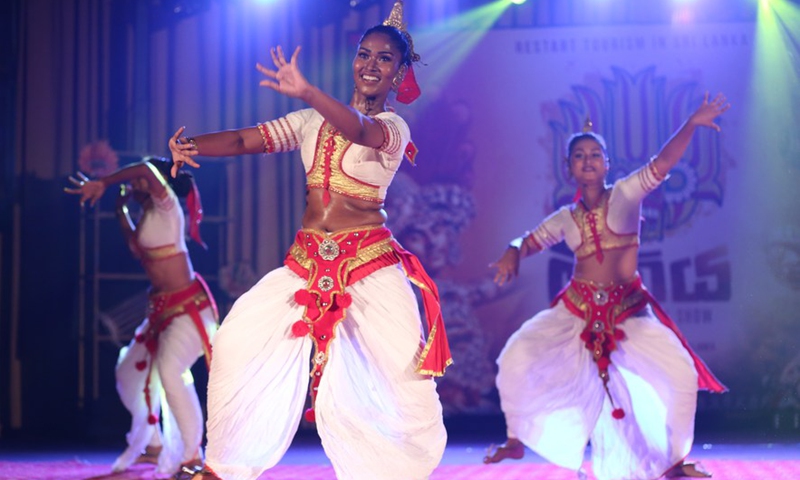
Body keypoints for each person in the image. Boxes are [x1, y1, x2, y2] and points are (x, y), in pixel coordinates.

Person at [167, 2, 451, 479]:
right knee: (238, 341)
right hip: (304, 265)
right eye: (364, 54)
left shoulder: (395, 129)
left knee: (403, 385)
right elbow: (243, 141)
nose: (371, 65)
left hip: (369, 267)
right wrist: (191, 145)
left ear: (400, 72)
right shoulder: (308, 122)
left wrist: (309, 91)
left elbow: (358, 129)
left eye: (385, 59)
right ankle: (223, 466)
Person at [483, 93, 730, 479]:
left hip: (629, 309)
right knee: (518, 354)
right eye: (579, 155)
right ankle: (516, 439)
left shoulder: (628, 194)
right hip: (576, 310)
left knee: (680, 374)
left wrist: (692, 124)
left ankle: (675, 462)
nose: (588, 160)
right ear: (569, 168)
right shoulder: (565, 218)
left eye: (595, 154)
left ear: (607, 163)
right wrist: (513, 250)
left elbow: (663, 163)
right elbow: (529, 240)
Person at [65, 157, 219, 477]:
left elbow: (146, 169)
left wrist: (104, 182)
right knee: (129, 373)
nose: (135, 183)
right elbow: (137, 247)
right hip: (162, 312)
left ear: (157, 184)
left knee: (171, 372)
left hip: (190, 311)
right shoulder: (149, 213)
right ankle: (153, 445)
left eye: (140, 181)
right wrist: (121, 209)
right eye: (134, 182)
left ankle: (191, 457)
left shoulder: (167, 206)